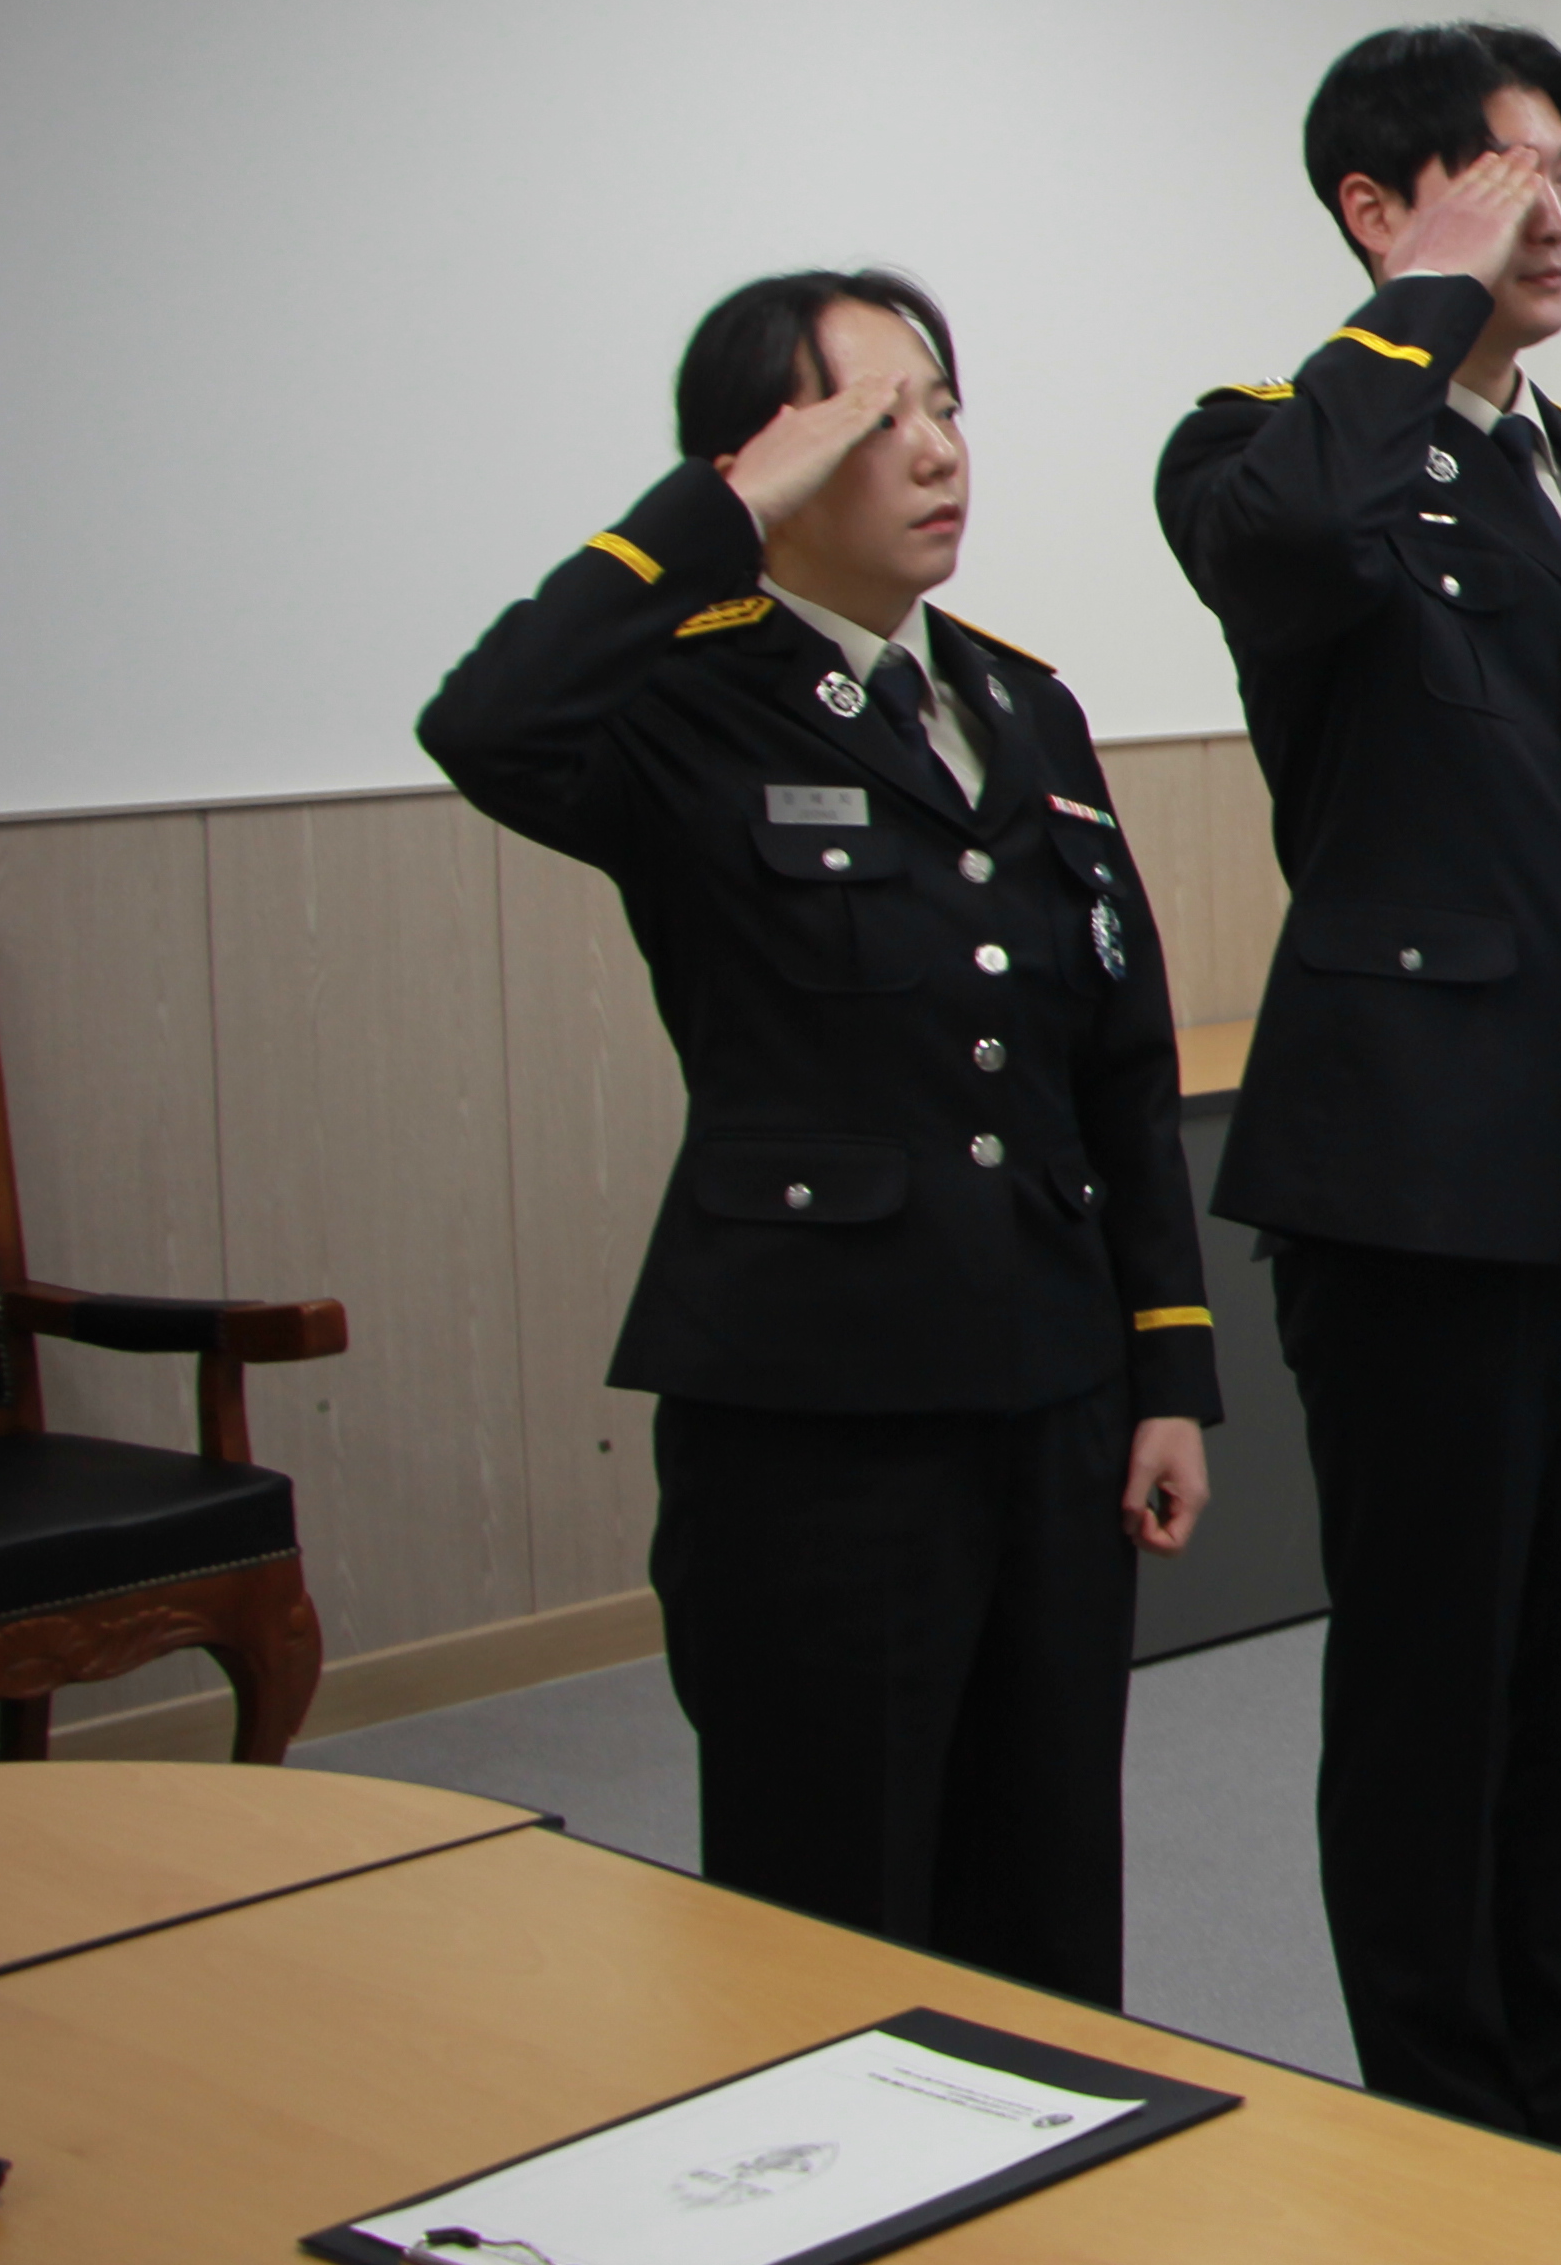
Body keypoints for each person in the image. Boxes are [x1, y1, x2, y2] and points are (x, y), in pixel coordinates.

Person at [418, 270, 1214, 2006]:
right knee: (827, 1901)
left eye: (944, 406)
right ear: (761, 461)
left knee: (1046, 1881)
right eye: (872, 422)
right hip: (818, 1410)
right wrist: (708, 519)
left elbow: (1117, 1064)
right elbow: (482, 724)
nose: (935, 451)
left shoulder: (1022, 706)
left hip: (1051, 1388)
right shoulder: (678, 703)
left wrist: (1165, 1368)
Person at [1156, 24, 1561, 2178]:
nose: (1556, 211)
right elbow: (1286, 555)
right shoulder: (1269, 446)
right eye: (1508, 172)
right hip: (1418, 1176)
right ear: (1377, 207)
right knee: (1439, 1682)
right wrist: (1417, 310)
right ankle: (1445, 2124)